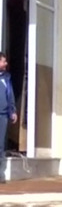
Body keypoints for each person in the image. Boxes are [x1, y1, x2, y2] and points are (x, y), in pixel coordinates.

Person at [0, 53, 17, 183]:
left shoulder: (6, 78)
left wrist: (13, 111)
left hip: (3, 116)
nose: (6, 64)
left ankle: (0, 174)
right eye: (3, 61)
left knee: (0, 146)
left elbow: (10, 95)